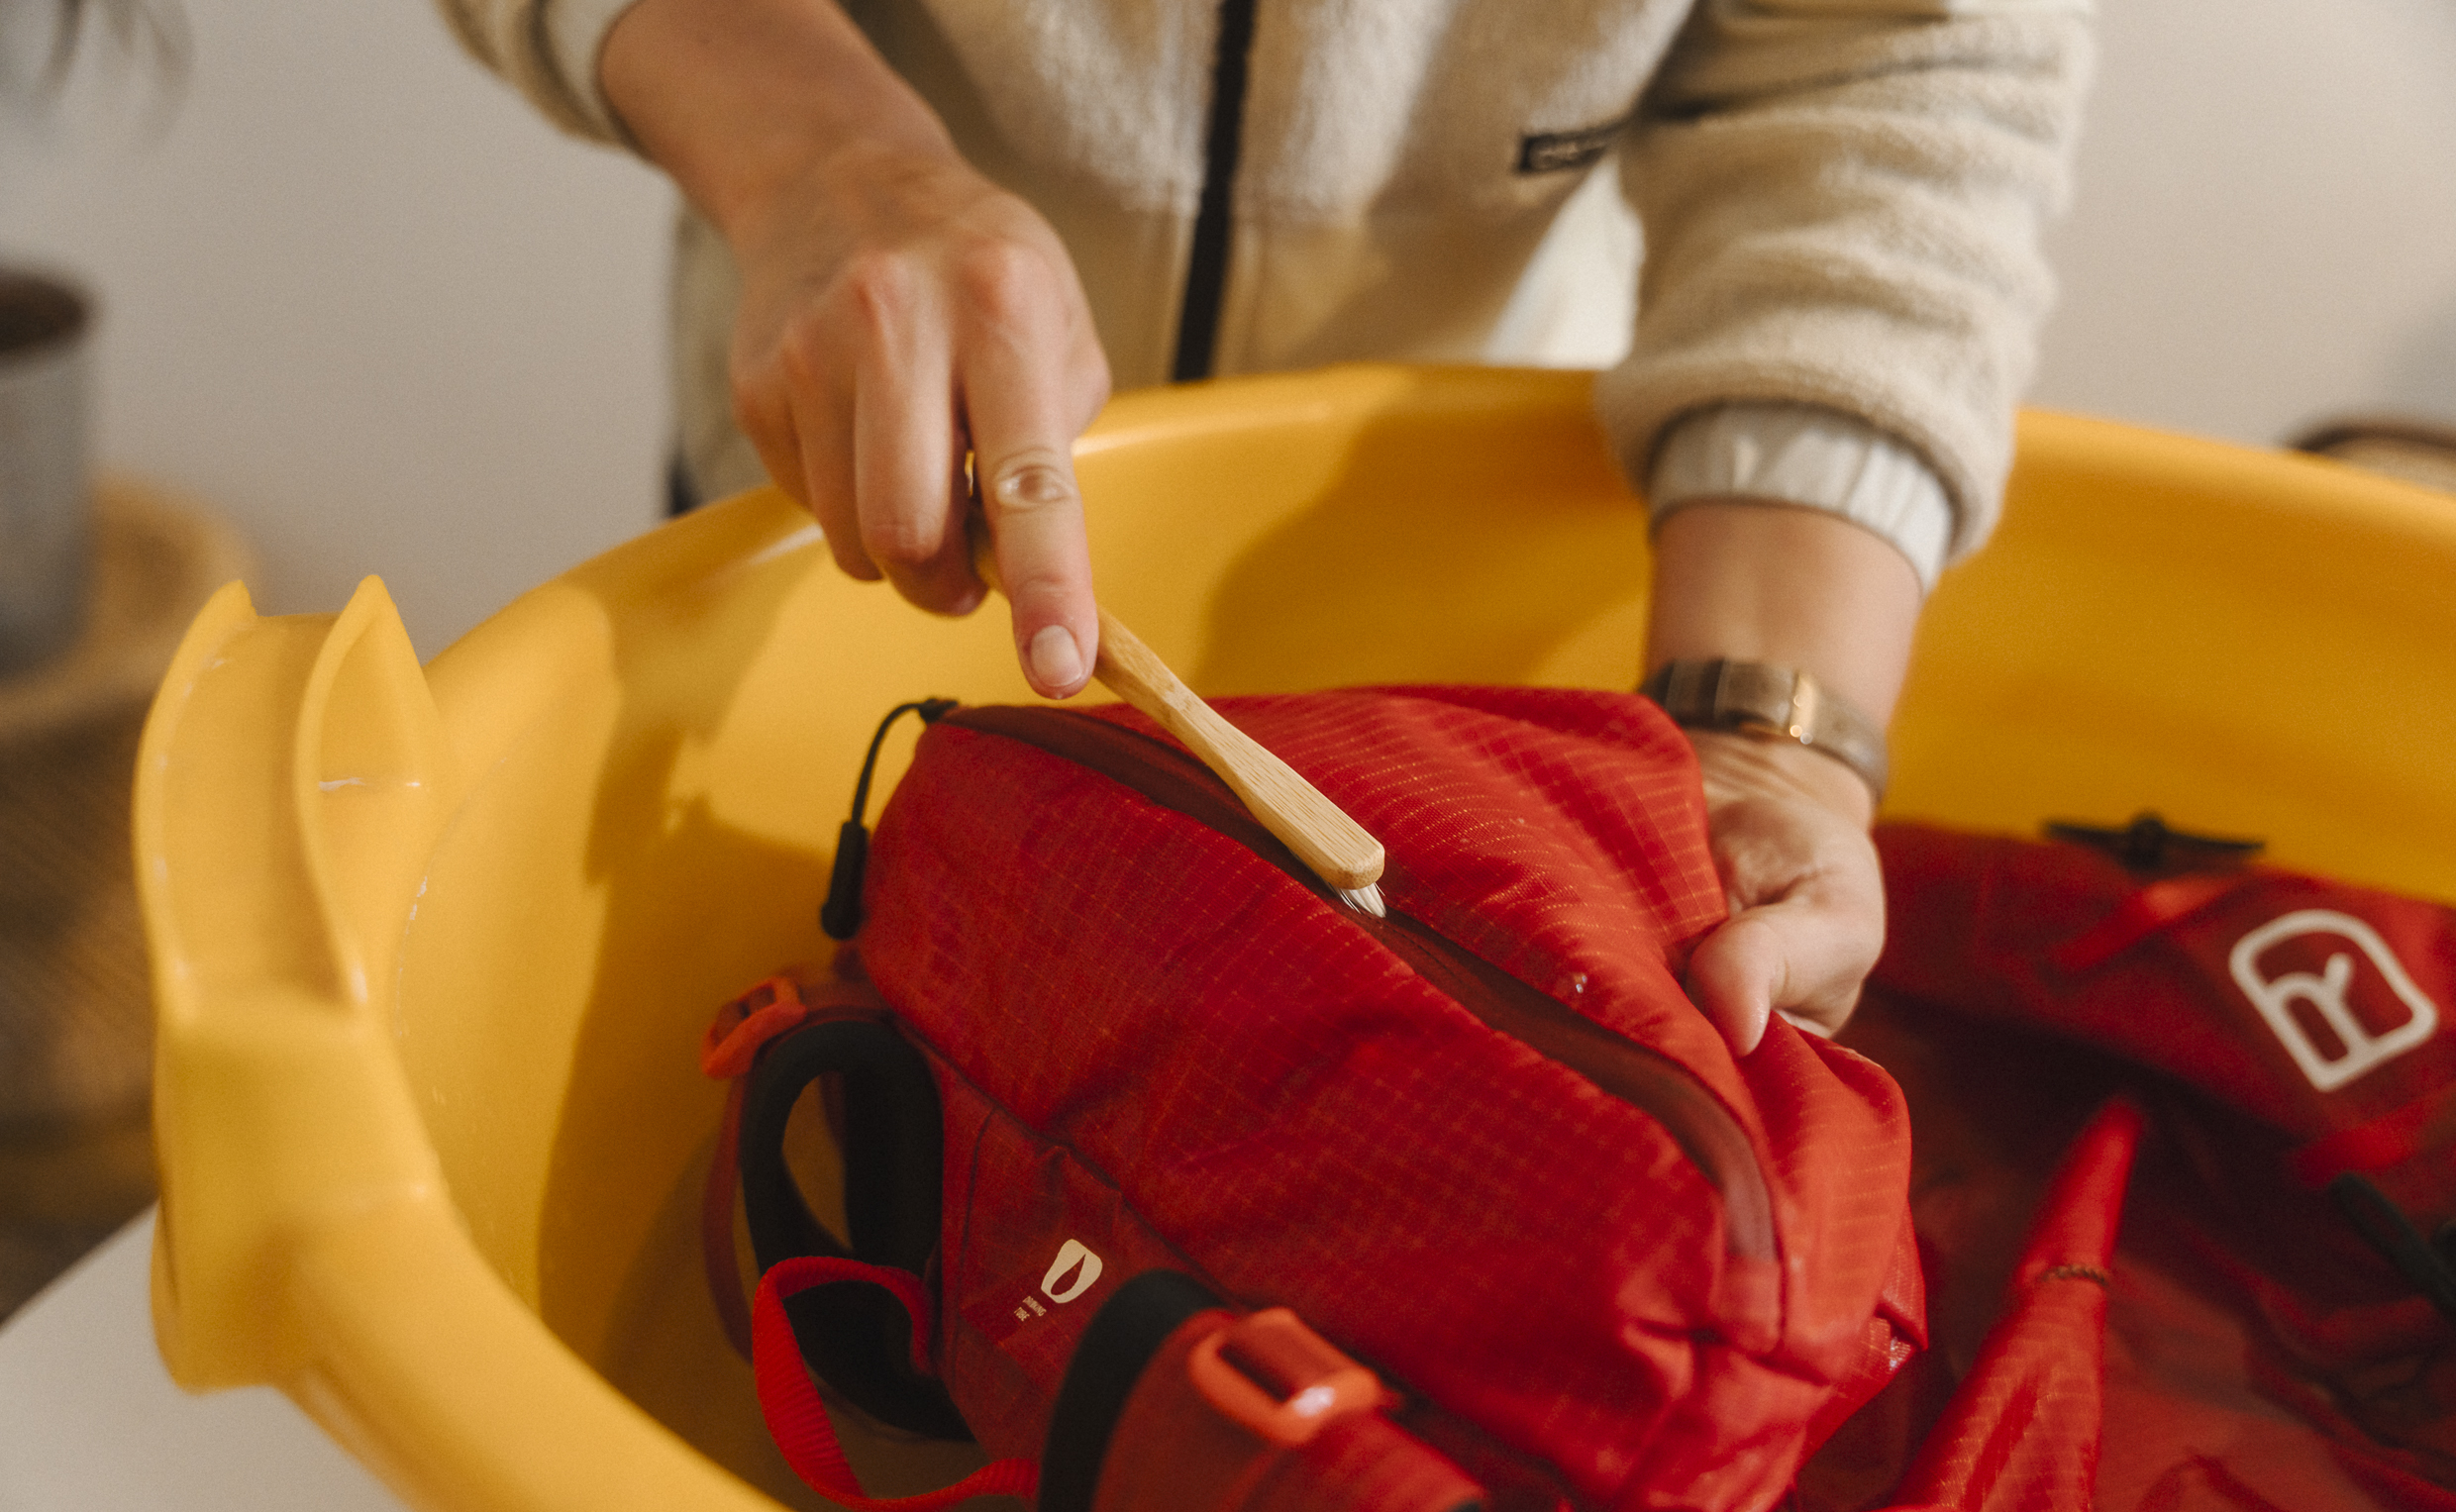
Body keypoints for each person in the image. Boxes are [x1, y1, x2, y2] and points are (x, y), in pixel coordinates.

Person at [441, 0, 2092, 1055]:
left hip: (1467, 592)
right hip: (858, 499)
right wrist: (821, 152)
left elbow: (1903, 55)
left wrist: (1766, 733)